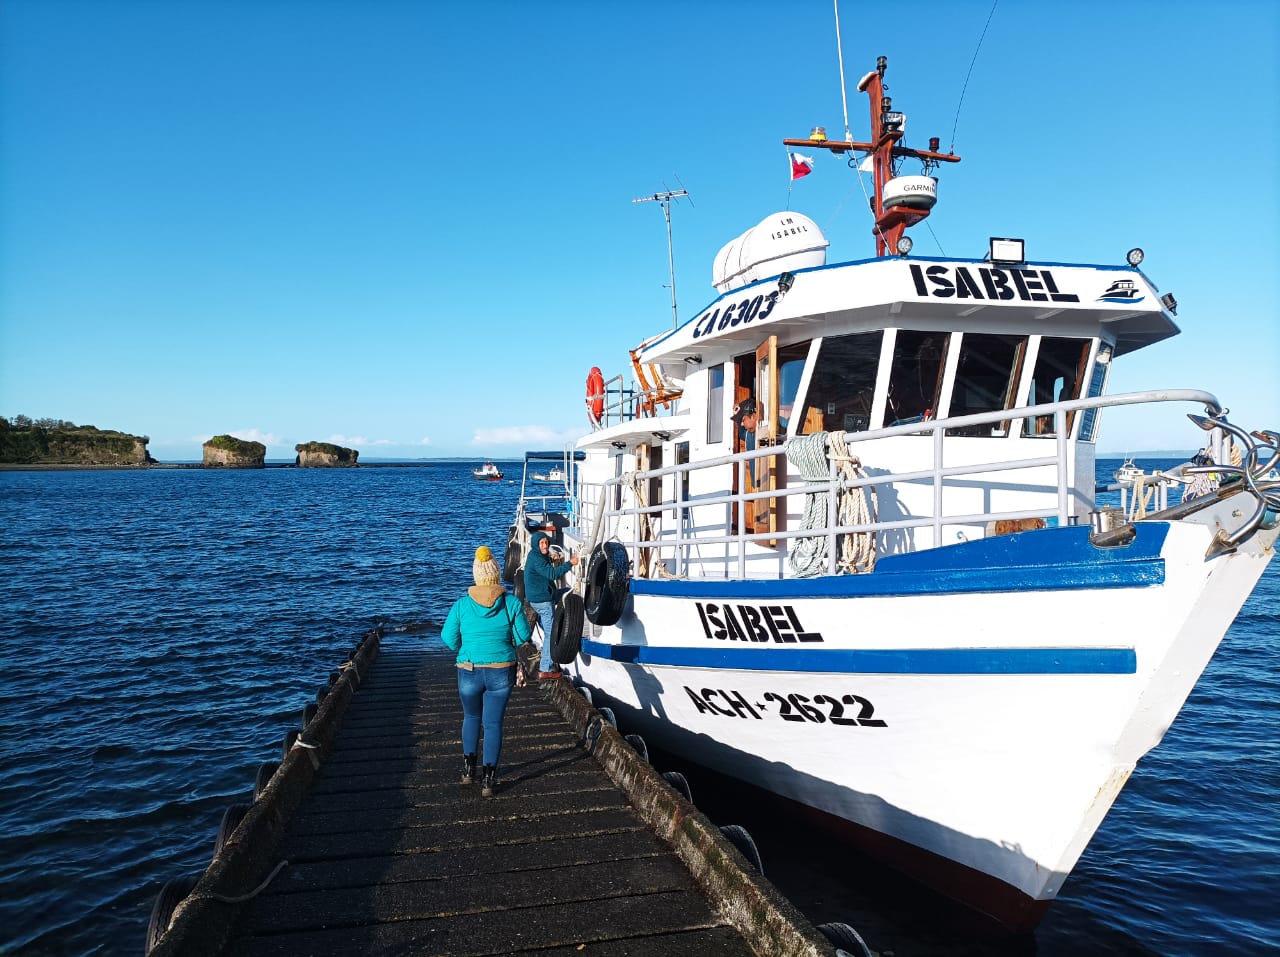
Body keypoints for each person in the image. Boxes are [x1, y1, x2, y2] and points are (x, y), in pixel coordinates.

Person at [441, 545, 533, 797]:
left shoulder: (461, 605)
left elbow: (448, 638)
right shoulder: (511, 602)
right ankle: (488, 781)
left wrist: (465, 647)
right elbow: (523, 636)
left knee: (471, 717)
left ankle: (468, 770)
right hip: (501, 670)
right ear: (496, 573)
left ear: (476, 574)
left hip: (469, 669)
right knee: (492, 724)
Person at [523, 530, 579, 679]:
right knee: (550, 634)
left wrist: (551, 558)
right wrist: (570, 563)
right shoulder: (537, 559)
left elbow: (544, 564)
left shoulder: (535, 555)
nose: (545, 545)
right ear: (536, 545)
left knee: (569, 593)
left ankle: (565, 619)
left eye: (546, 542)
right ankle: (545, 669)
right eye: (541, 543)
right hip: (542, 600)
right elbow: (552, 574)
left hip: (544, 595)